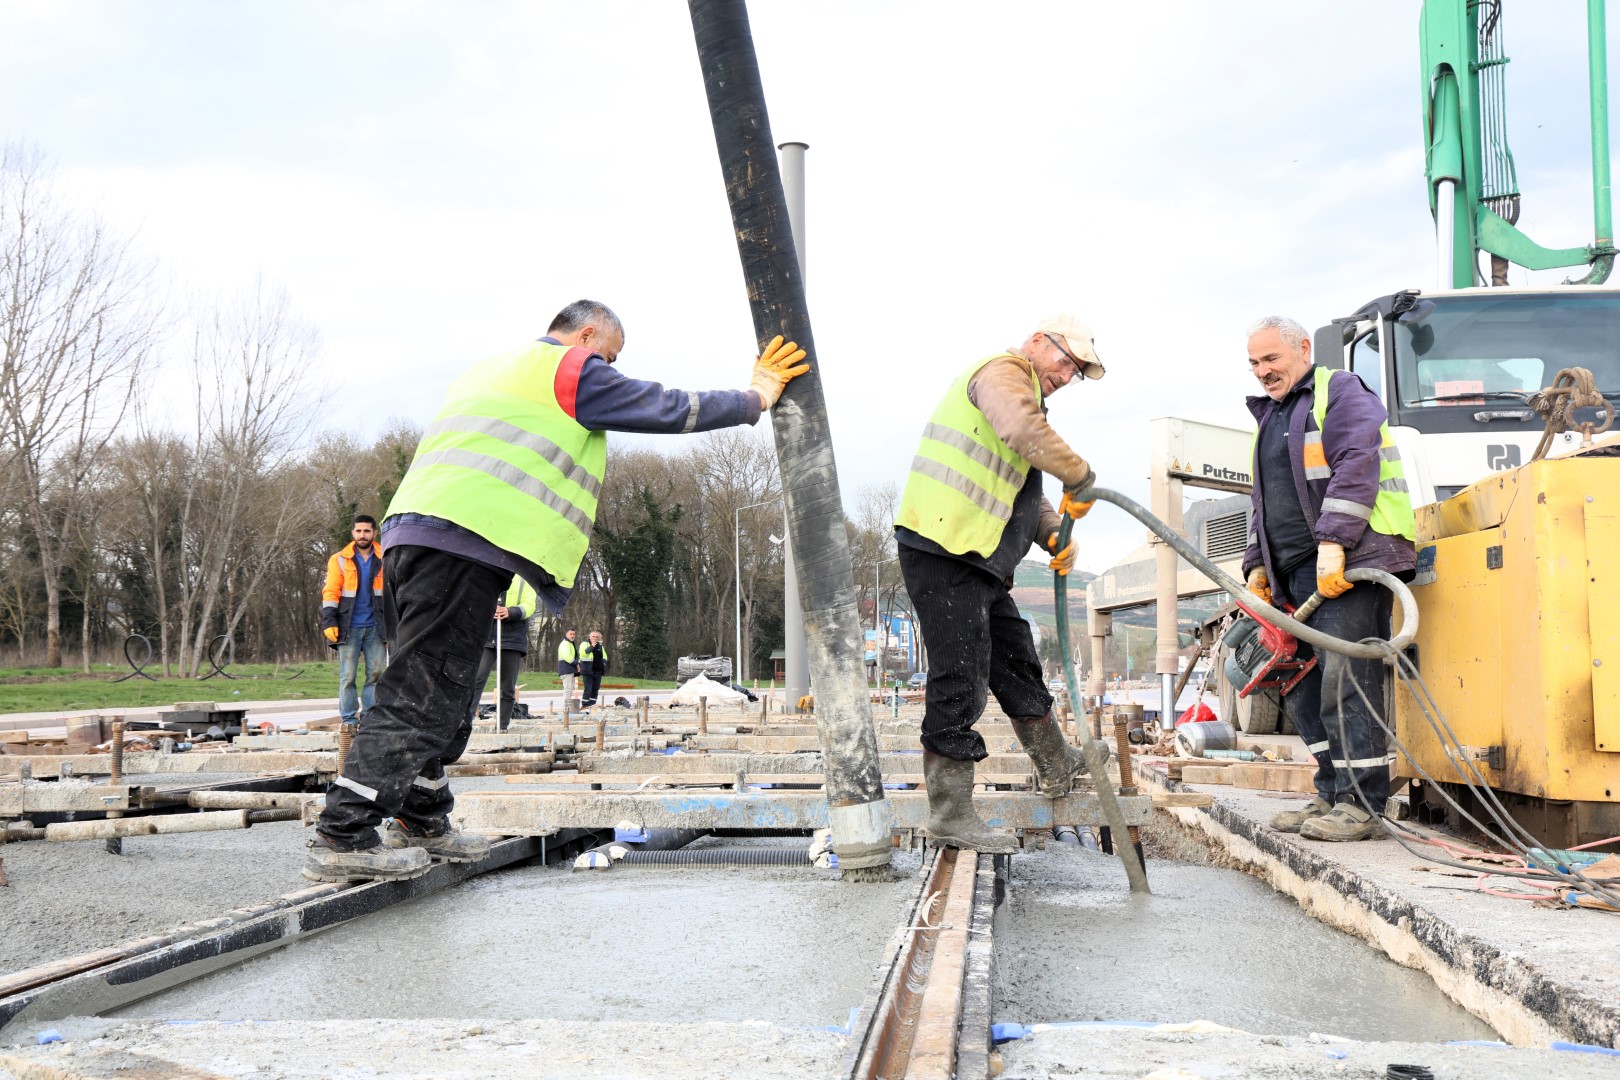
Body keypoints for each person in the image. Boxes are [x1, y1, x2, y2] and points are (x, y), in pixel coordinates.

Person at [305, 299, 808, 882]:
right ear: (587, 335)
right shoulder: (565, 368)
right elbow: (663, 407)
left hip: (421, 540)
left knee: (450, 689)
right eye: (610, 356)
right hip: (459, 544)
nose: (610, 369)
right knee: (421, 689)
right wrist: (755, 398)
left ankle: (422, 816)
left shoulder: (493, 370)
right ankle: (345, 831)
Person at [894, 315, 1106, 853]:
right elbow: (1021, 431)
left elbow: (1019, 495)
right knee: (959, 676)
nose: (1067, 375)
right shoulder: (1004, 374)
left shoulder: (1026, 396)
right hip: (942, 548)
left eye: (1077, 372)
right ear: (1039, 341)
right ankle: (950, 813)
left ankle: (1056, 763)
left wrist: (1054, 532)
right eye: (1066, 362)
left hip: (979, 559)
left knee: (1015, 660)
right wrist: (1078, 474)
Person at [1242, 315, 1415, 842]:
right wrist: (1255, 564)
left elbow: (1356, 463)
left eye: (1271, 359)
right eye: (1253, 363)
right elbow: (1263, 499)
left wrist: (1335, 543)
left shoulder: (1339, 391)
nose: (1262, 372)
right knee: (1300, 682)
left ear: (1302, 349)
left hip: (1351, 560)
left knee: (1347, 676)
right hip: (1292, 570)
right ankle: (1331, 792)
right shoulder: (1272, 417)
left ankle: (1364, 804)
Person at [320, 515, 388, 725]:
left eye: (366, 531)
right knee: (347, 676)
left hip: (377, 626)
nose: (362, 535)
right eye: (358, 531)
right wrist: (329, 621)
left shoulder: (386, 557)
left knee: (375, 675)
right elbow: (331, 592)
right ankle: (349, 720)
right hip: (348, 626)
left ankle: (369, 718)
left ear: (374, 533)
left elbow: (393, 592)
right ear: (352, 533)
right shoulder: (339, 559)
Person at [471, 573, 535, 732]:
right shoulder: (489, 571)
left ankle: (502, 726)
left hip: (512, 638)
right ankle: (464, 721)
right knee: (477, 678)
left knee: (507, 686)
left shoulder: (524, 579)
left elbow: (529, 605)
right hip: (488, 635)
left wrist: (511, 611)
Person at [580, 630, 608, 707]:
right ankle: (585, 704)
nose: (595, 638)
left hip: (598, 671)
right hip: (588, 670)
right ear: (589, 637)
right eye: (593, 636)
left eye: (597, 637)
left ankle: (592, 704)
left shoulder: (600, 646)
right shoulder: (584, 644)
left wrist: (603, 663)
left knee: (595, 689)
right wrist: (592, 646)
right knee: (588, 689)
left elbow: (605, 656)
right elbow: (582, 654)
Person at [556, 629, 582, 706]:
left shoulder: (570, 643)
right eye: (570, 634)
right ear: (566, 634)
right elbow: (567, 657)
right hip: (566, 669)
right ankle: (566, 708)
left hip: (570, 669)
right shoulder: (565, 643)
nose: (572, 635)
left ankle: (568, 707)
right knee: (568, 689)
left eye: (574, 634)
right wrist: (577, 663)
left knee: (570, 689)